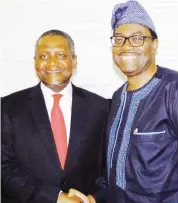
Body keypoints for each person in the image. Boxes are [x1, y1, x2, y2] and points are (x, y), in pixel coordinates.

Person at [105, 0, 178, 202]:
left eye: (137, 38)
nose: (126, 46)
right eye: (119, 39)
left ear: (154, 45)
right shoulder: (119, 96)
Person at [1, 29, 110, 203]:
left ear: (74, 62)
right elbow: (3, 167)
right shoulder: (7, 108)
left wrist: (92, 198)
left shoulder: (101, 108)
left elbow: (111, 165)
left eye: (61, 55)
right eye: (44, 56)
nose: (52, 63)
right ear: (35, 62)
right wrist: (56, 198)